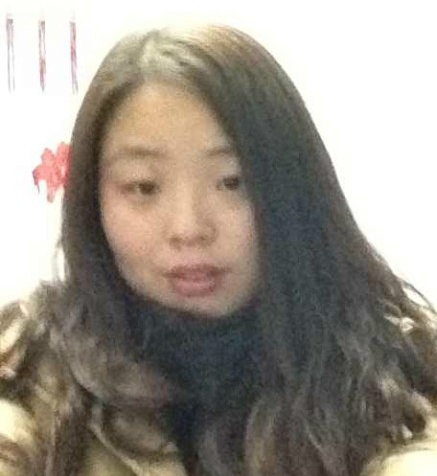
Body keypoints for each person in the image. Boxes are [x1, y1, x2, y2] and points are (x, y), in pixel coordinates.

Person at [1, 22, 436, 476]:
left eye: (232, 182)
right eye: (143, 187)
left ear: (294, 190)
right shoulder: (31, 366)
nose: (188, 229)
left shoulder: (391, 367)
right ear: (93, 201)